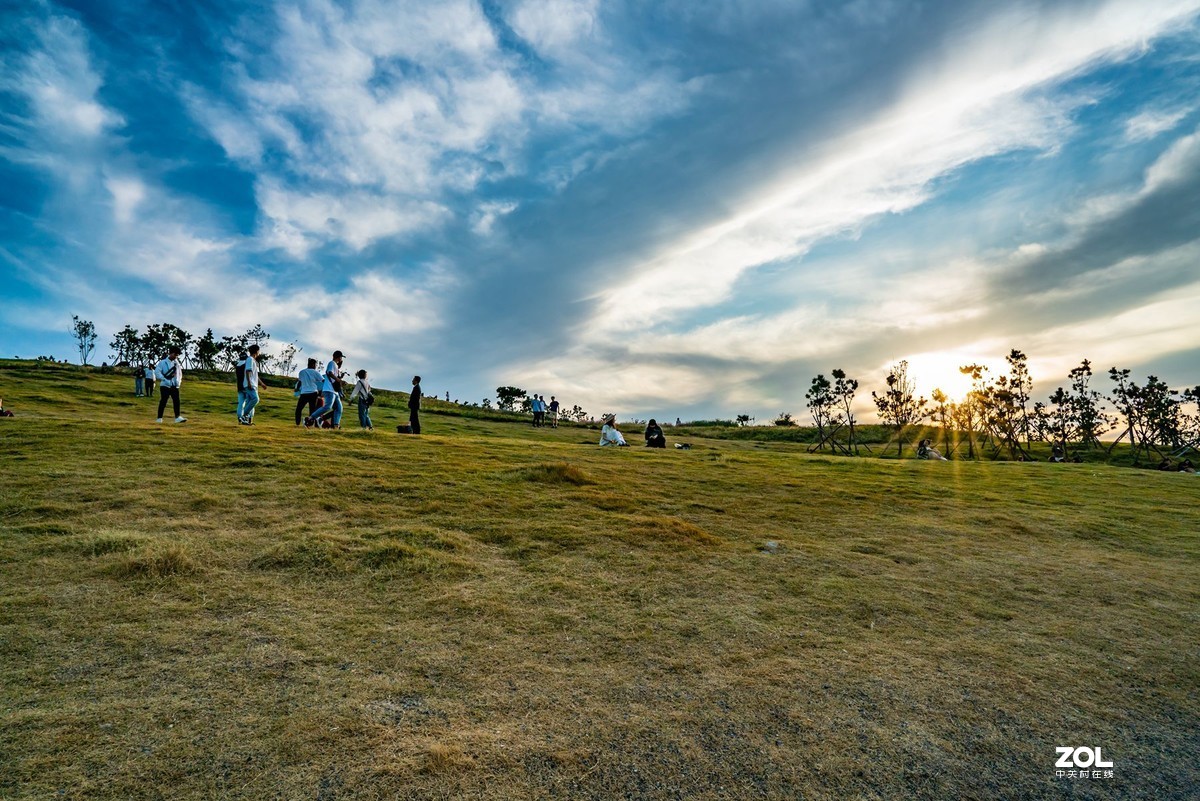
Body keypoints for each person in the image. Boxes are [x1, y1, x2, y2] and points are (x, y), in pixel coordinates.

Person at [305, 350, 346, 429]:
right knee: (327, 407)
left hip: (334, 391)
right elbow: (329, 373)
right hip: (329, 389)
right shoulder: (332, 363)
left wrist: (340, 379)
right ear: (338, 357)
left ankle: (335, 425)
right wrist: (339, 380)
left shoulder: (336, 366)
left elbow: (334, 377)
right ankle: (310, 419)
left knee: (339, 408)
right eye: (341, 357)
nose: (341, 359)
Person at [154, 346, 186, 424]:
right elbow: (157, 372)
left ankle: (177, 417)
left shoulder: (177, 363)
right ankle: (159, 418)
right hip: (165, 385)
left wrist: (178, 382)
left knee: (176, 401)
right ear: (170, 353)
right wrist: (164, 379)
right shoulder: (162, 362)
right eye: (175, 354)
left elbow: (179, 374)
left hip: (174, 385)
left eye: (177, 355)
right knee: (163, 401)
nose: (176, 356)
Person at [239, 344, 264, 425]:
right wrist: (249, 383)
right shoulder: (249, 359)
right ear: (256, 351)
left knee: (250, 401)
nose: (259, 353)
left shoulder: (253, 361)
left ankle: (245, 420)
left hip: (253, 384)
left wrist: (262, 384)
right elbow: (248, 371)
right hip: (250, 384)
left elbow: (255, 375)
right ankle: (243, 416)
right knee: (255, 399)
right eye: (259, 351)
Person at [295, 358, 322, 426]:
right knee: (312, 410)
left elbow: (300, 382)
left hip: (304, 393)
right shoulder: (315, 372)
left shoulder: (301, 372)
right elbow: (323, 380)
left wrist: (297, 389)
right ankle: (309, 424)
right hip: (313, 393)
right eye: (315, 365)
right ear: (313, 364)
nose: (315, 366)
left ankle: (297, 423)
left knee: (299, 409)